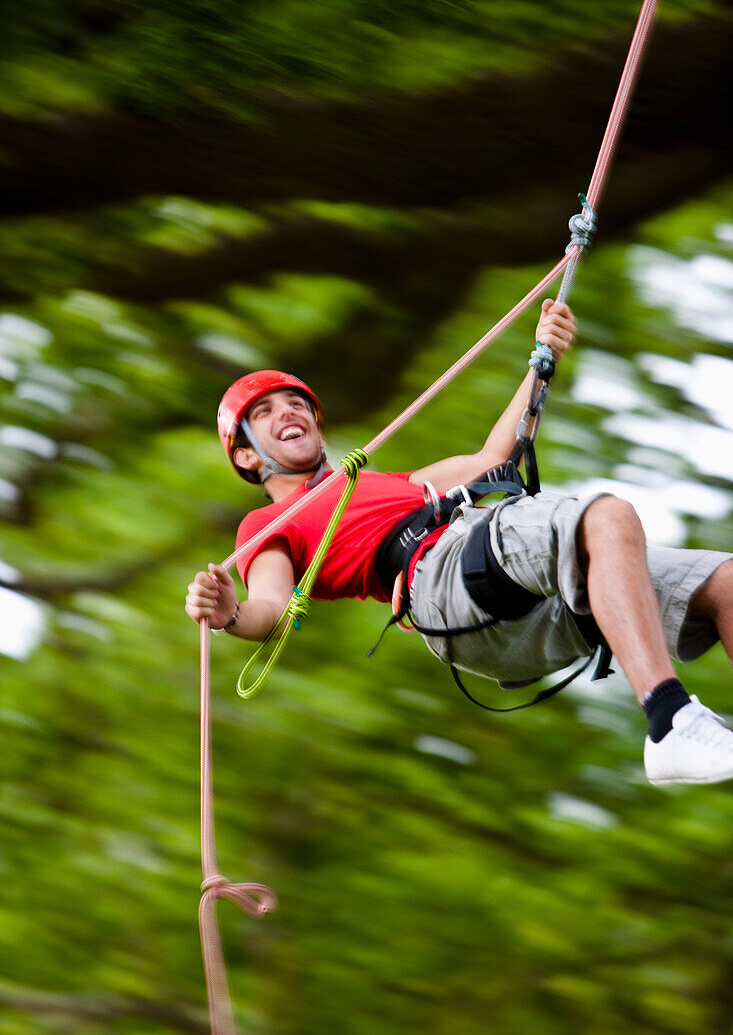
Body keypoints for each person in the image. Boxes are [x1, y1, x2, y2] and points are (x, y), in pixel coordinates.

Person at [186, 300, 733, 787]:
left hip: (500, 596)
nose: (288, 412)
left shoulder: (401, 485)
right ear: (246, 456)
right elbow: (271, 609)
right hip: (441, 581)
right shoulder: (272, 522)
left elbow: (494, 458)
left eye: (296, 404)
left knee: (725, 585)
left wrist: (542, 361)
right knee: (607, 518)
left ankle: (676, 720)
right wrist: (232, 613)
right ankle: (669, 719)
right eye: (265, 413)